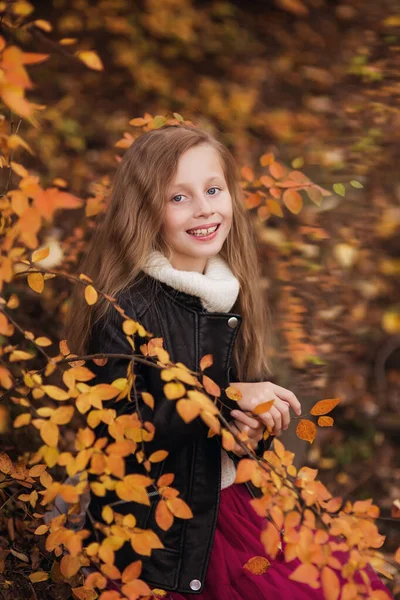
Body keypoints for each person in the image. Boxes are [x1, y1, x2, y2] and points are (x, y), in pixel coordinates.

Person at [64, 124, 393, 599]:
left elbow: (222, 430)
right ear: (144, 211)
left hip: (228, 498)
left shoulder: (228, 294)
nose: (204, 208)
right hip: (164, 535)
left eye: (213, 189)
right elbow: (127, 428)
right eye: (178, 197)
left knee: (348, 583)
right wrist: (228, 398)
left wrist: (248, 428)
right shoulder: (125, 307)